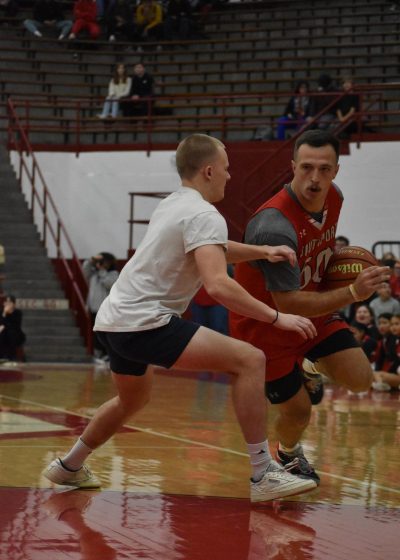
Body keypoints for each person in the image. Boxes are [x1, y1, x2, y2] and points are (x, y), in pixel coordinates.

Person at [43, 133, 319, 503]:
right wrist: (277, 317)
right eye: (225, 168)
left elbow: (213, 247)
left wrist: (261, 251)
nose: (229, 176)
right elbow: (219, 285)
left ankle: (70, 466)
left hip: (114, 321)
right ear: (208, 170)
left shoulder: (174, 203)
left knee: (131, 401)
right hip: (146, 322)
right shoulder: (206, 214)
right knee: (251, 360)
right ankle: (263, 473)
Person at [230, 129, 389, 484]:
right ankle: (287, 453)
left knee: (361, 379)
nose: (314, 179)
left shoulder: (335, 198)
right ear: (292, 167)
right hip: (267, 327)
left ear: (335, 171)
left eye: (323, 169)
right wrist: (352, 291)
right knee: (299, 411)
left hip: (313, 310)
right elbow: (287, 302)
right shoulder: (273, 225)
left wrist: (347, 265)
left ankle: (309, 365)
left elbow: (321, 254)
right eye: (306, 168)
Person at [82, 252, 119, 362]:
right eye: (102, 262)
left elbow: (109, 284)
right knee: (97, 333)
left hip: (106, 310)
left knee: (106, 333)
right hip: (94, 308)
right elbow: (85, 269)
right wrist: (91, 259)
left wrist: (102, 271)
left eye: (105, 262)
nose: (103, 264)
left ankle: (107, 354)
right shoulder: (93, 274)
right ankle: (99, 354)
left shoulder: (114, 274)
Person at [372, 313, 400, 391]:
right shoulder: (390, 340)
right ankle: (381, 384)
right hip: (395, 373)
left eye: (396, 324)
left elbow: (396, 360)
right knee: (373, 374)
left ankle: (381, 384)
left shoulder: (393, 340)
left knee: (379, 375)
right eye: (391, 325)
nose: (393, 327)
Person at [0, 295, 26, 360]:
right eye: (6, 302)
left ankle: (11, 356)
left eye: (9, 302)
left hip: (16, 334)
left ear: (14, 304)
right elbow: (1, 324)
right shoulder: (1, 312)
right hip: (4, 333)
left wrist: (4, 325)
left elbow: (15, 326)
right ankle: (2, 356)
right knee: (2, 333)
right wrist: (4, 313)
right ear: (4, 303)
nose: (7, 304)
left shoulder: (18, 313)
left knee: (10, 332)